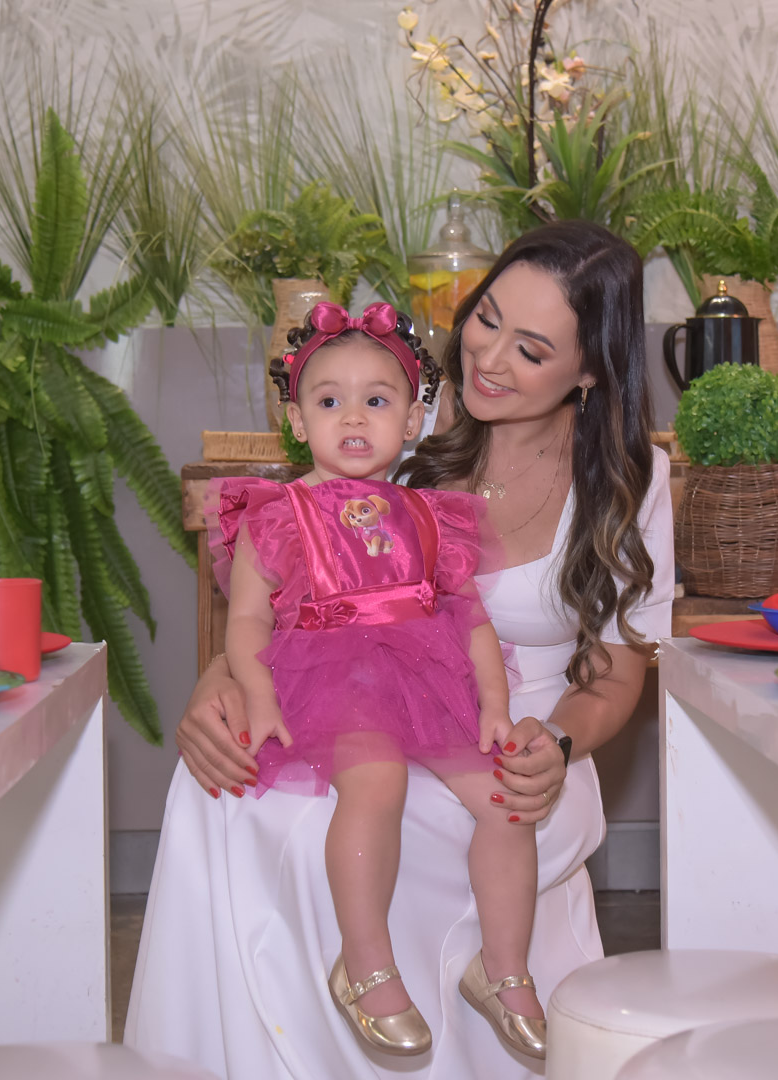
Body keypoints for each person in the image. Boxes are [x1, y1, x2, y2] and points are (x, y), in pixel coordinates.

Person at [126, 220, 676, 1079]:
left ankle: (490, 981)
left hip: (514, 726)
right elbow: (290, 594)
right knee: (234, 792)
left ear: (590, 370)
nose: (489, 359)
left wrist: (558, 742)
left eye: (531, 349)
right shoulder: (391, 418)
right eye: (486, 318)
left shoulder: (630, 483)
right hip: (355, 694)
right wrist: (218, 683)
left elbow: (616, 671)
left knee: (450, 814)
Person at [212, 299, 545, 1057]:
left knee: (505, 800)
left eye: (378, 400)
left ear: (413, 418)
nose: (354, 418)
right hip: (331, 680)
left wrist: (494, 702)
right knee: (377, 782)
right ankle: (364, 963)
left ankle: (503, 967)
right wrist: (257, 692)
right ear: (297, 421)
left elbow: (470, 617)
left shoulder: (430, 516)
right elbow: (248, 619)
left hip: (427, 682)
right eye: (330, 402)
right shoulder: (278, 514)